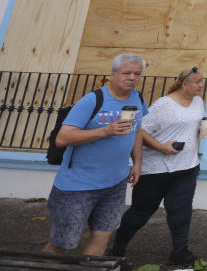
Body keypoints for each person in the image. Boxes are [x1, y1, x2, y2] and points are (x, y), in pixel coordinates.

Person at [42, 54, 147, 255]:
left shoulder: (138, 98)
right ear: (113, 74)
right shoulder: (92, 100)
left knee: (102, 236)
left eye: (137, 74)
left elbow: (138, 130)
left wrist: (137, 162)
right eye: (127, 73)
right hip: (78, 185)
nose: (132, 77)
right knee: (61, 243)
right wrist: (105, 131)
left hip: (115, 182)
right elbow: (63, 138)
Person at [110, 66, 207, 265]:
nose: (202, 85)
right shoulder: (163, 105)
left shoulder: (198, 101)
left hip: (186, 167)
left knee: (181, 212)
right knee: (141, 212)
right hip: (155, 169)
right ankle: (116, 249)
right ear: (184, 84)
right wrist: (162, 148)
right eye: (198, 82)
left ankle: (180, 253)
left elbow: (191, 126)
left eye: (202, 81)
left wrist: (204, 130)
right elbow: (139, 130)